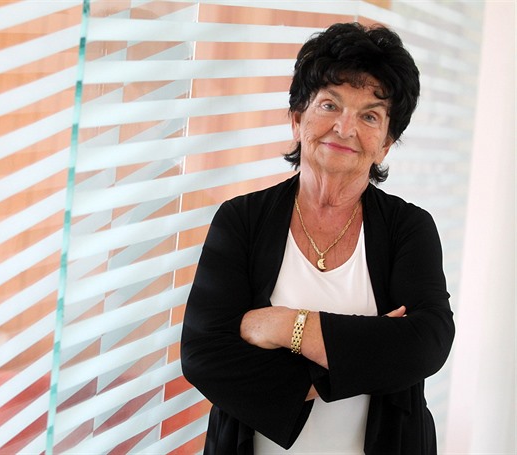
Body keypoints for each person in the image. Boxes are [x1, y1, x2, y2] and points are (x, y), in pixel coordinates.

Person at [180, 22, 455, 455]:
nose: (345, 128)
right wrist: (365, 354)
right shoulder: (241, 220)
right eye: (330, 104)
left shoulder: (409, 227)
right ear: (297, 119)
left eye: (369, 116)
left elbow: (426, 344)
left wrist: (284, 326)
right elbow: (205, 357)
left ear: (385, 145)